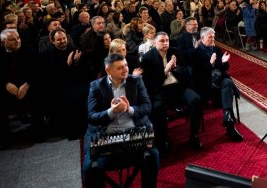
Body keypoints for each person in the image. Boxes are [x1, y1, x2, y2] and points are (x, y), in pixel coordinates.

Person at [82, 53, 159, 188]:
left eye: (126, 66)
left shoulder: (136, 81)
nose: (125, 70)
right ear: (108, 70)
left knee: (153, 157)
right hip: (105, 135)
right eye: (120, 68)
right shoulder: (96, 86)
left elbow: (147, 107)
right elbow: (92, 117)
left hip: (133, 131)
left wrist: (130, 109)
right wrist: (111, 112)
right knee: (89, 170)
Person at [140, 32, 203, 152]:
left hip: (178, 87)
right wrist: (165, 71)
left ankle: (193, 135)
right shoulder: (147, 58)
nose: (165, 43)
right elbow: (150, 83)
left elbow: (186, 72)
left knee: (196, 100)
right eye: (162, 41)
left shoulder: (175, 52)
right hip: (161, 90)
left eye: (167, 40)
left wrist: (176, 68)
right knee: (157, 108)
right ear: (154, 43)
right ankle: (163, 139)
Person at [191, 27, 243, 142]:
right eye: (210, 37)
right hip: (205, 84)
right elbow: (198, 75)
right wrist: (210, 63)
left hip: (219, 81)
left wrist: (224, 62)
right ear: (203, 38)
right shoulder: (196, 53)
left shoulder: (216, 49)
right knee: (227, 87)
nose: (213, 39)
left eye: (214, 36)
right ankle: (229, 124)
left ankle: (228, 119)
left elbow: (224, 69)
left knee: (228, 82)